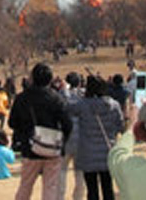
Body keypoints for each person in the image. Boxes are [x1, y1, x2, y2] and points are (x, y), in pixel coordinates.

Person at [9, 63, 72, 200]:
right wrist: (62, 141)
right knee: (50, 187)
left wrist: (24, 134)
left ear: (32, 78)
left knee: (25, 186)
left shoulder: (22, 98)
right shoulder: (57, 98)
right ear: (50, 79)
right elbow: (68, 124)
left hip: (30, 148)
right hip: (53, 149)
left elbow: (12, 123)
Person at [70, 75, 123, 200]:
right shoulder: (113, 105)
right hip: (107, 151)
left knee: (92, 189)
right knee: (108, 187)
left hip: (88, 152)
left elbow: (68, 110)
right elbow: (120, 125)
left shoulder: (82, 105)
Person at [58, 72, 86, 200]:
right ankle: (78, 197)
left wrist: (64, 90)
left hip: (64, 140)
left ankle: (59, 197)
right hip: (81, 140)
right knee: (80, 175)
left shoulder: (61, 96)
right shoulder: (85, 95)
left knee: (61, 172)